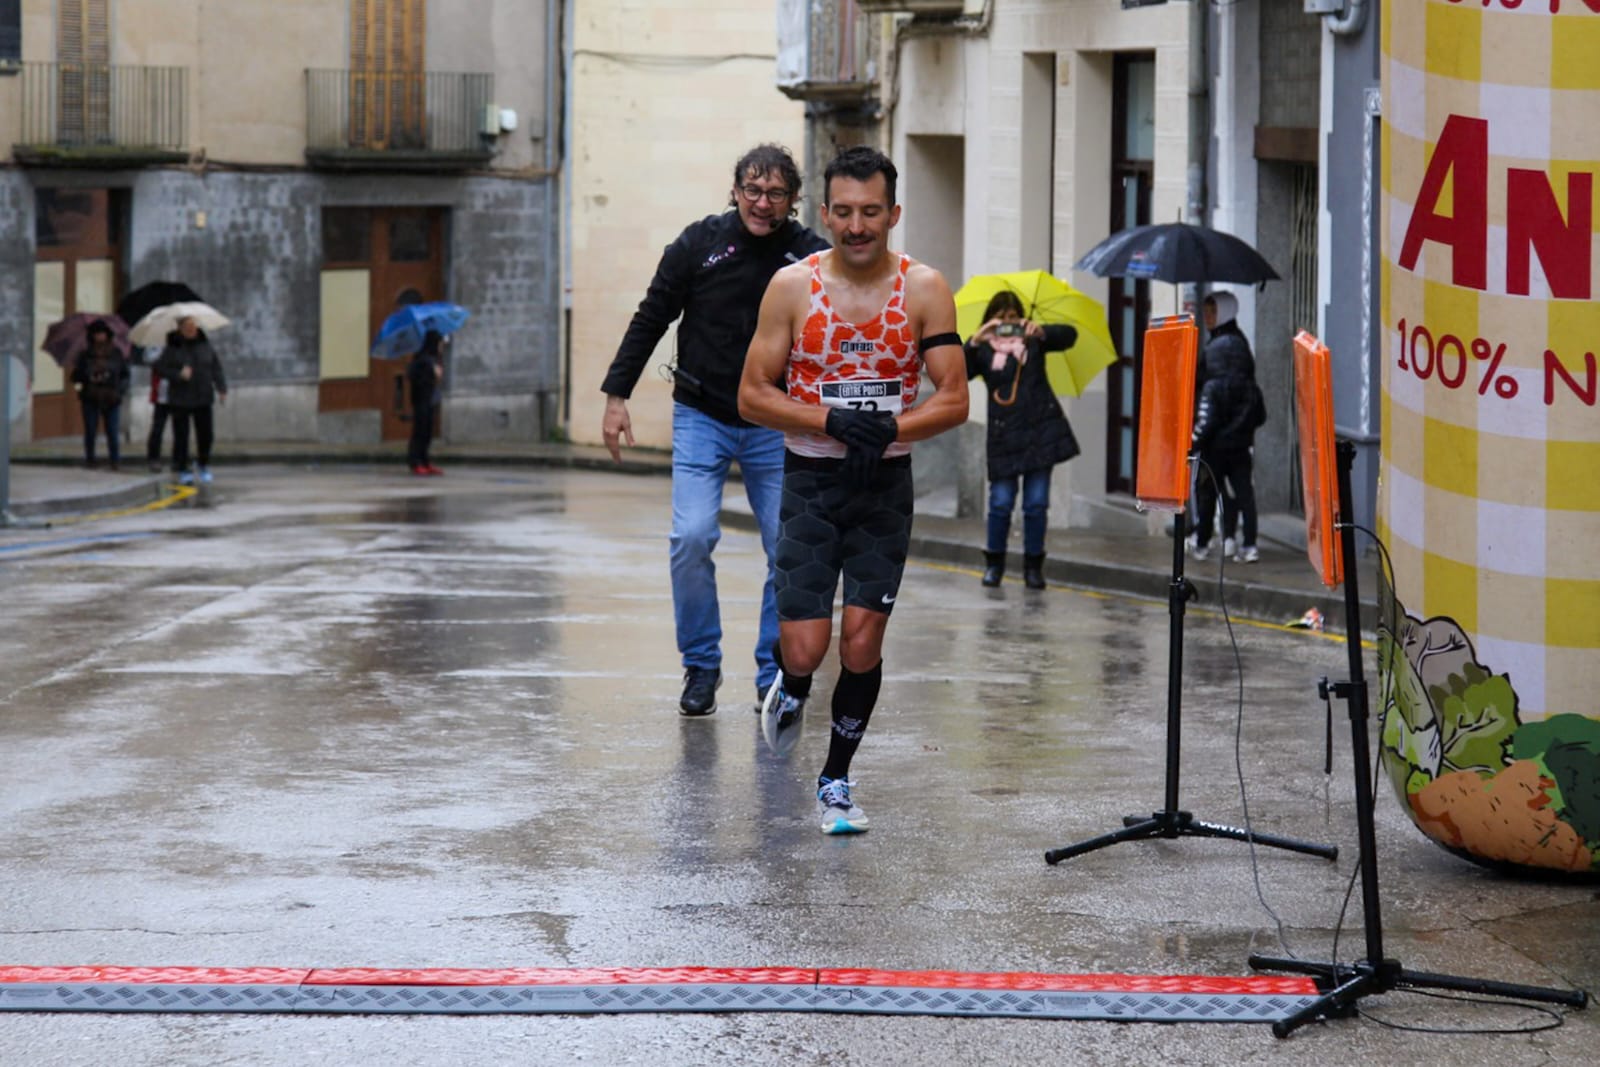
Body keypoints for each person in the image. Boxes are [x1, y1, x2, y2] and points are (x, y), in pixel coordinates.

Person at [738, 145, 968, 834]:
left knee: (861, 643)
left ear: (893, 213)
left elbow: (954, 399)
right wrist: (830, 419)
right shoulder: (792, 287)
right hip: (809, 481)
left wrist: (890, 426)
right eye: (843, 212)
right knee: (806, 648)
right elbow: (752, 395)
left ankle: (836, 778)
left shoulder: (925, 288)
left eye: (871, 212)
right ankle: (794, 684)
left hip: (884, 485)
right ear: (825, 213)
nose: (857, 225)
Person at [600, 143, 830, 717]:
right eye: (752, 190)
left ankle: (772, 670)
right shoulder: (699, 244)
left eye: (776, 193)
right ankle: (701, 666)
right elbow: (653, 314)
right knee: (693, 537)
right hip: (702, 414)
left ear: (793, 200)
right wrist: (616, 395)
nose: (762, 202)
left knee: (789, 549)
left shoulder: (810, 259)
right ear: (734, 190)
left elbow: (841, 331)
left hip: (776, 422)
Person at [963, 291, 1081, 590]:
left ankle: (1033, 567)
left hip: (1039, 433)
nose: (1007, 323)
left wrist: (1042, 331)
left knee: (1036, 504)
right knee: (1001, 503)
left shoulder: (1033, 341)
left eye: (1013, 317)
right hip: (1003, 436)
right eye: (1000, 317)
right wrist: (975, 340)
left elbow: (1069, 336)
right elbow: (959, 372)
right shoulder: (984, 349)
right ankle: (994, 565)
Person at [1189, 291, 1266, 563]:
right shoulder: (1241, 345)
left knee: (1209, 491)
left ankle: (1203, 541)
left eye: (1212, 312)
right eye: (1206, 312)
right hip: (1240, 438)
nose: (1207, 318)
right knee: (1241, 491)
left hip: (1216, 440)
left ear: (1224, 313)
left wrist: (1197, 437)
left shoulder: (1216, 351)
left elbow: (1206, 389)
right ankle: (1241, 542)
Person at [156, 316, 227, 485]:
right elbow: (160, 368)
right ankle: (182, 467)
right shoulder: (173, 347)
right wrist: (178, 374)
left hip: (203, 396)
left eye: (193, 325)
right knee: (181, 436)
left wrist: (221, 388)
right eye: (187, 326)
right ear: (180, 328)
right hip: (180, 398)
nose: (191, 329)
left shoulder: (205, 345)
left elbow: (216, 367)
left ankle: (203, 463)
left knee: (206, 434)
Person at [70, 320, 130, 470]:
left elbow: (124, 374)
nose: (100, 337)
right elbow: (75, 376)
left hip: (111, 396)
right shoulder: (85, 355)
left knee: (112, 431)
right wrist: (86, 375)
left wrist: (119, 390)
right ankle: (90, 459)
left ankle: (115, 460)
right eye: (97, 334)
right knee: (90, 430)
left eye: (102, 333)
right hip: (91, 396)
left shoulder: (116, 353)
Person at [407, 329, 447, 476]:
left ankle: (425, 460)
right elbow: (415, 378)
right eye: (440, 343)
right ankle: (416, 461)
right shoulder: (423, 359)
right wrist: (431, 372)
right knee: (420, 431)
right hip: (421, 400)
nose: (442, 346)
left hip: (429, 400)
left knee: (428, 432)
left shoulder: (434, 359)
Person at [145, 350, 172, 473]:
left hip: (180, 394)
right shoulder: (156, 347)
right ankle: (153, 457)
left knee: (181, 428)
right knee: (158, 428)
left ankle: (179, 459)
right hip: (161, 394)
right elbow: (149, 360)